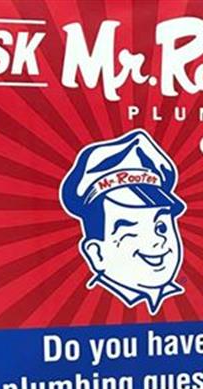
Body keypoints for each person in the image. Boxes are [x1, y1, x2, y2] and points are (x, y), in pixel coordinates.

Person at [60, 129, 186, 315]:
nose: (156, 240)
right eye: (131, 232)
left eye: (161, 227)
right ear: (96, 254)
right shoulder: (87, 306)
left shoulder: (186, 298)